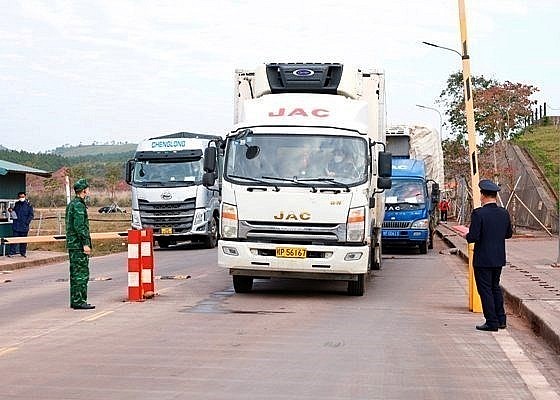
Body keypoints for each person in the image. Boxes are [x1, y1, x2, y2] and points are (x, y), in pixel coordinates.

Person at [466, 179, 513, 332]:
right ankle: (501, 320)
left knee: (485, 290)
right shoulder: (504, 213)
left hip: (483, 259)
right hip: (498, 258)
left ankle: (491, 322)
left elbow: (473, 237)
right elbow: (508, 234)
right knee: (495, 288)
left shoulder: (479, 213)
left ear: (483, 195)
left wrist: (466, 235)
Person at [65, 179, 95, 310]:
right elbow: (79, 226)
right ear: (84, 190)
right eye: (87, 188)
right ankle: (79, 301)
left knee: (75, 273)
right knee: (81, 274)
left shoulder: (73, 204)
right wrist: (85, 244)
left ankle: (76, 300)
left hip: (73, 244)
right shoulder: (78, 205)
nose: (88, 190)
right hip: (78, 245)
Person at [8, 192, 34, 258]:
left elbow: (31, 215)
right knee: (14, 240)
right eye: (20, 197)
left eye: (22, 196)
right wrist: (10, 210)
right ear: (18, 197)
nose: (21, 198)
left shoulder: (29, 205)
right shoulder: (17, 204)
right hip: (16, 226)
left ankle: (23, 253)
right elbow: (13, 211)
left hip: (24, 226)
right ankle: (12, 253)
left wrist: (26, 222)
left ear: (25, 197)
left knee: (23, 241)